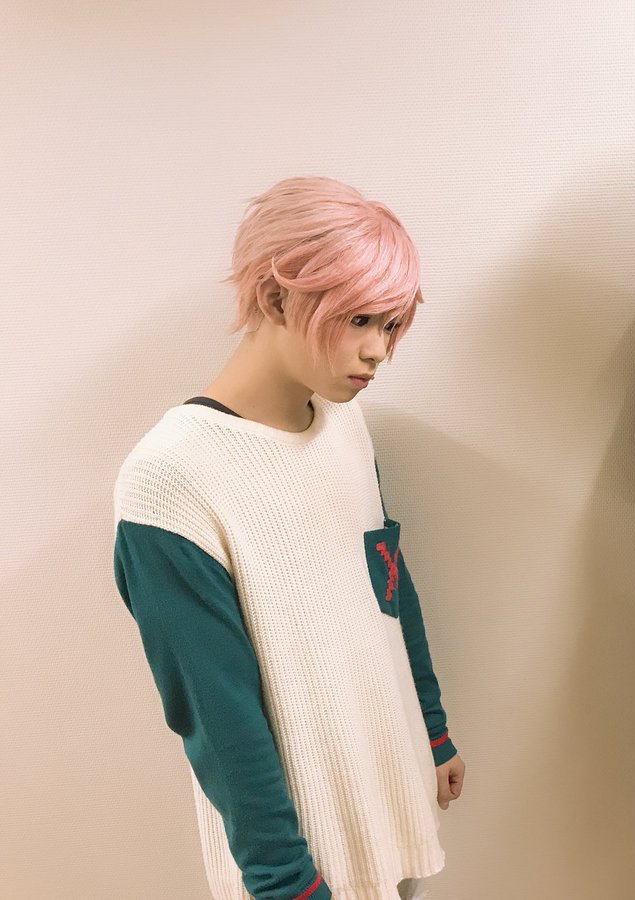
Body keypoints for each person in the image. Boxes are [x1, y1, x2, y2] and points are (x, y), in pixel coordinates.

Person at [113, 176, 465, 900]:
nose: (379, 351)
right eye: (360, 320)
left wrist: (431, 731)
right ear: (276, 299)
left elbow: (388, 590)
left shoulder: (345, 424)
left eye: (391, 325)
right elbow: (216, 714)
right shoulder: (169, 479)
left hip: (392, 805)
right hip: (299, 861)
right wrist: (284, 880)